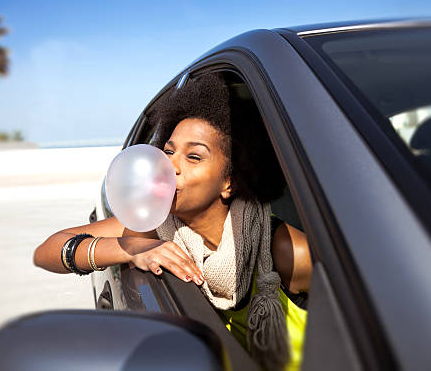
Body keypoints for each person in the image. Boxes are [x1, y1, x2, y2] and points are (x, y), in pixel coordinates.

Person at [33, 73, 312, 370]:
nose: (170, 165)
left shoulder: (286, 251)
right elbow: (46, 252)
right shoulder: (157, 223)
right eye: (168, 151)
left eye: (193, 157)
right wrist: (131, 248)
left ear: (229, 183)